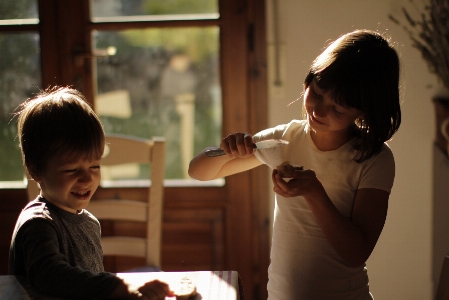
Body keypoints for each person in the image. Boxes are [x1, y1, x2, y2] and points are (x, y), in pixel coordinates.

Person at [188, 29, 401, 299]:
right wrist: (226, 150)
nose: (319, 111)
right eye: (318, 93)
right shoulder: (284, 139)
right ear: (310, 79)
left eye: (338, 109)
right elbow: (197, 172)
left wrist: (314, 193)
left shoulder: (374, 159)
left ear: (364, 111)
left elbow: (356, 252)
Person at [9, 87, 174, 299]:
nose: (87, 179)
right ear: (35, 170)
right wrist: (114, 287)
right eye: (71, 170)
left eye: (94, 166)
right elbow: (50, 276)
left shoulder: (89, 223)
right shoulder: (38, 224)